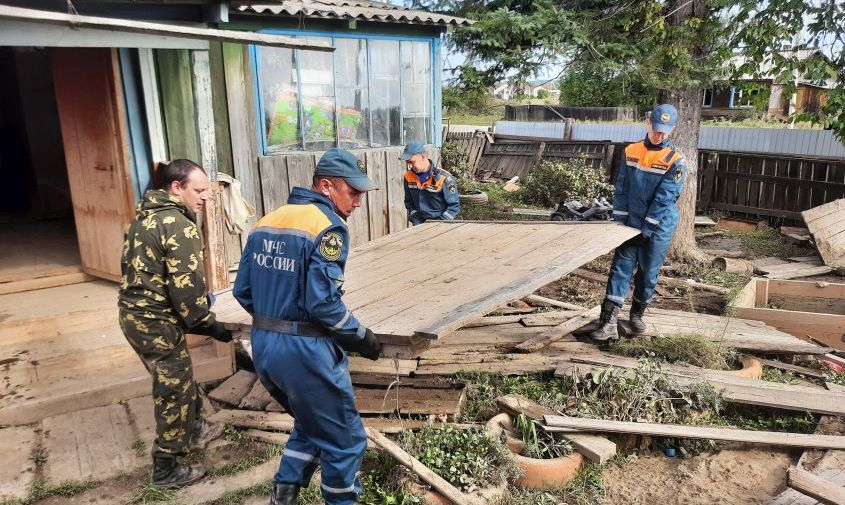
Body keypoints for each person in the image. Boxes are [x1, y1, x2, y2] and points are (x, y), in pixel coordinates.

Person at [233, 148, 383, 505]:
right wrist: (360, 337)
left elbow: (243, 291)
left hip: (265, 347)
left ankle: (282, 498)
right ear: (327, 186)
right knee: (345, 442)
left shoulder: (268, 220)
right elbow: (323, 304)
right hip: (305, 354)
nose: (358, 202)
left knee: (311, 423)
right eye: (353, 192)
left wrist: (277, 320)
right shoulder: (328, 227)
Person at [118, 159, 231, 487]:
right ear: (176, 187)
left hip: (135, 317)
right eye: (198, 191)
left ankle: (196, 430)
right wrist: (211, 325)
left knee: (178, 376)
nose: (204, 198)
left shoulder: (144, 219)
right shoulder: (178, 224)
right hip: (155, 322)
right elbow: (187, 294)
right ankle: (166, 468)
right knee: (173, 392)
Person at [589, 104, 687, 343]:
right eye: (656, 129)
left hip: (659, 225)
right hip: (631, 223)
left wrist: (648, 228)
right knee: (620, 268)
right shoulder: (631, 151)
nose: (659, 135)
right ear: (648, 124)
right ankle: (608, 322)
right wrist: (620, 221)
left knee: (648, 272)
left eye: (665, 131)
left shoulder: (676, 160)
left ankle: (637, 313)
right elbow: (621, 188)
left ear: (672, 129)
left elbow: (665, 197)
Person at [401, 141, 461, 224]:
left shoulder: (445, 178)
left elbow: (454, 207)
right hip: (419, 225)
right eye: (407, 162)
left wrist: (440, 224)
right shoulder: (408, 177)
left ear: (423, 157)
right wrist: (416, 221)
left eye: (412, 162)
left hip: (441, 225)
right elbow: (409, 203)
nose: (409, 166)